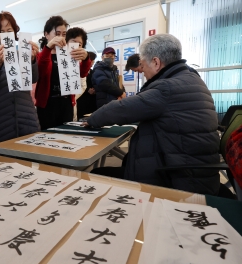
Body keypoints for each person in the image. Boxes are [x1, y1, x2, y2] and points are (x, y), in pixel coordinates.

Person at [84, 34, 221, 196]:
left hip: (179, 179)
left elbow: (120, 109)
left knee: (95, 175)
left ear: (156, 62)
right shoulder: (190, 78)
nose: (143, 72)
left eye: (142, 65)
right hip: (192, 170)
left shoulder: (167, 87)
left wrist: (91, 120)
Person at [0, 11, 40, 143]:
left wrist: (32, 60)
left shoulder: (23, 54)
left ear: (15, 32)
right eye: (1, 31)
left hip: (25, 113)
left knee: (29, 155)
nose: (6, 35)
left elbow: (33, 79)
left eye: (9, 30)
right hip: (0, 116)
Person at [35, 17, 91, 130]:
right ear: (47, 34)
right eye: (57, 33)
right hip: (47, 105)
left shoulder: (69, 54)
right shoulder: (40, 55)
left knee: (66, 136)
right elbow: (41, 71)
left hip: (66, 103)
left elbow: (82, 73)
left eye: (64, 34)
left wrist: (86, 59)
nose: (61, 37)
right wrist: (48, 47)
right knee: (47, 137)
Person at [77, 51, 97, 120]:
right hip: (81, 98)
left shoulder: (93, 72)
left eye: (93, 62)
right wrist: (88, 90)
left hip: (92, 100)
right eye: (91, 61)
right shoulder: (78, 71)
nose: (91, 64)